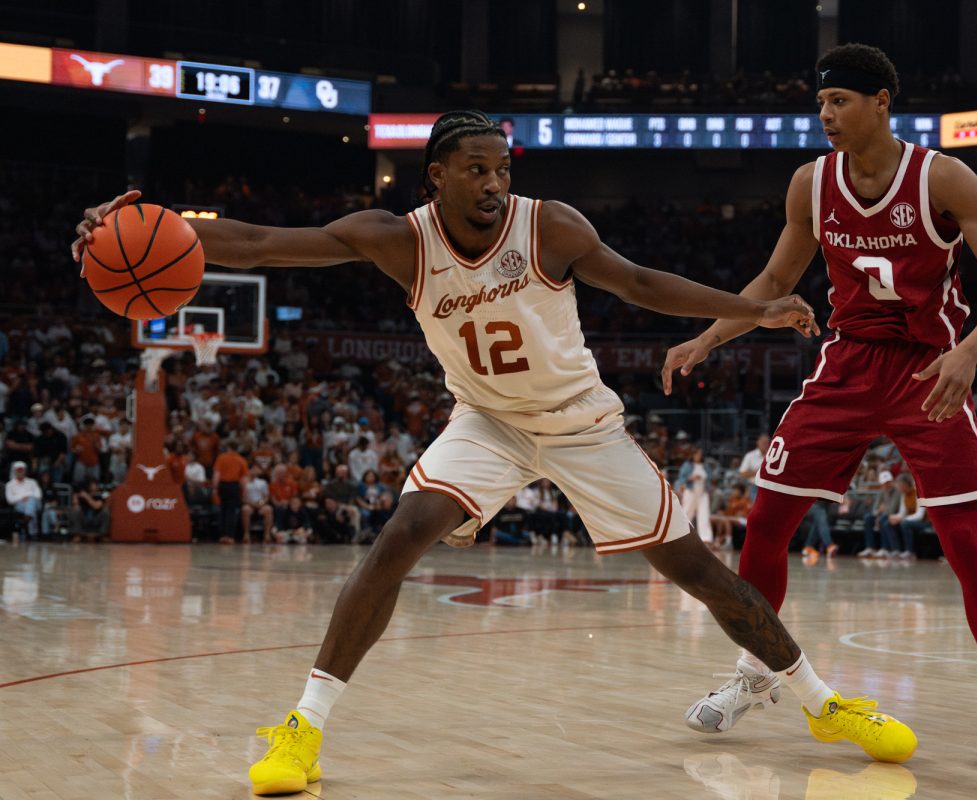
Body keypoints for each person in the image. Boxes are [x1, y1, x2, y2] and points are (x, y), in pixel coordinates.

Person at [73, 110, 915, 796]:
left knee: (700, 574)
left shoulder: (550, 228)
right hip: (486, 420)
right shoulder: (395, 239)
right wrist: (145, 227)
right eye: (475, 169)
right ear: (434, 175)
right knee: (400, 536)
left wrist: (751, 311)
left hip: (581, 422)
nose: (493, 183)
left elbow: (642, 285)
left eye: (502, 169)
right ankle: (303, 729)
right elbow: (259, 244)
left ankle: (823, 702)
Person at [662, 44, 977, 766]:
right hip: (847, 362)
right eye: (821, 104)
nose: (826, 115)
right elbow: (775, 276)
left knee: (964, 540)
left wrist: (970, 351)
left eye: (839, 102)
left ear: (881, 102)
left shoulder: (944, 177)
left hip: (929, 368)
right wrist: (708, 339)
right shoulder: (811, 182)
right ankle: (756, 672)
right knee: (764, 526)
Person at [675, 447, 714, 545]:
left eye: (700, 454)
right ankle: (683, 535)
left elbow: (711, 477)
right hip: (690, 491)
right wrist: (691, 478)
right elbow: (681, 478)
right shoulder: (687, 465)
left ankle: (706, 538)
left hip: (703, 492)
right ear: (693, 455)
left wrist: (705, 480)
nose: (698, 456)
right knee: (687, 513)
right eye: (697, 454)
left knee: (704, 514)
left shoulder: (705, 466)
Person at [5, 461, 41, 538]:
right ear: (15, 471)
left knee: (31, 501)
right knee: (31, 508)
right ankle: (32, 533)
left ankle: (25, 522)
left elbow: (38, 495)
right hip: (19, 505)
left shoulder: (32, 482)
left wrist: (28, 497)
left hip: (35, 503)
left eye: (22, 470)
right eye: (19, 470)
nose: (20, 472)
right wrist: (22, 498)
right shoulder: (9, 485)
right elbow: (10, 500)